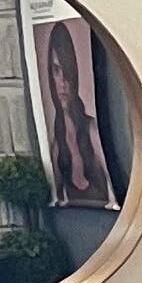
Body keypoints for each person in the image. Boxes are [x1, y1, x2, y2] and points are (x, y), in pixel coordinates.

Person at [38, 22, 111, 209]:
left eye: (66, 70)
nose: (62, 83)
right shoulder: (57, 145)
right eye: (55, 71)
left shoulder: (91, 130)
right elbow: (58, 200)